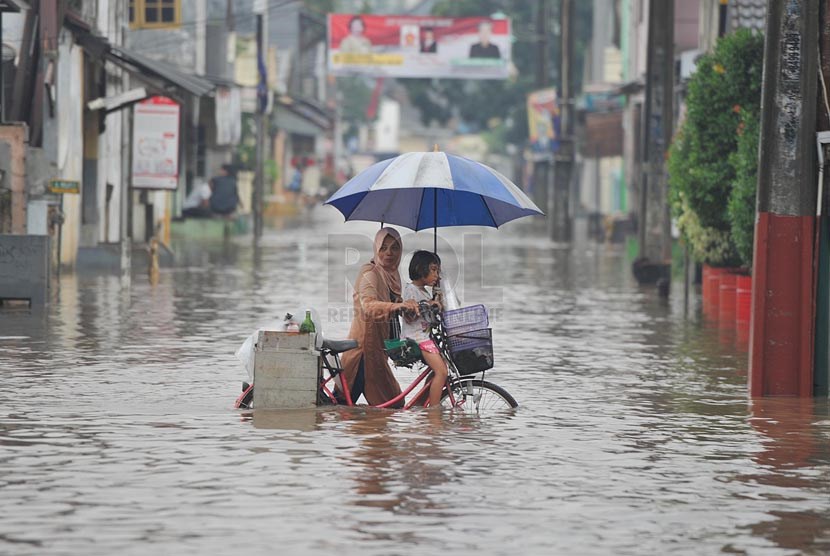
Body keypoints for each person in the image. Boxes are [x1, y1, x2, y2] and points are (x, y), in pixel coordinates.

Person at [339, 228, 419, 407]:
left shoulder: (392, 275)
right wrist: (398, 306)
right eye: (383, 248)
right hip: (365, 353)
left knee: (388, 405)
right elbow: (368, 305)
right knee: (390, 405)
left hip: (379, 349)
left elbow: (394, 302)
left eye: (394, 248)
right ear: (376, 249)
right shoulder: (371, 273)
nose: (389, 253)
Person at [401, 250, 448, 409]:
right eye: (433, 270)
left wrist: (436, 299)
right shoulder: (411, 290)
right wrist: (427, 305)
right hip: (417, 338)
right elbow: (408, 315)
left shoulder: (424, 291)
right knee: (442, 372)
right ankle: (434, 410)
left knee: (439, 371)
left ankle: (420, 404)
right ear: (421, 270)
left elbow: (430, 311)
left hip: (425, 337)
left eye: (438, 271)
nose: (436, 274)